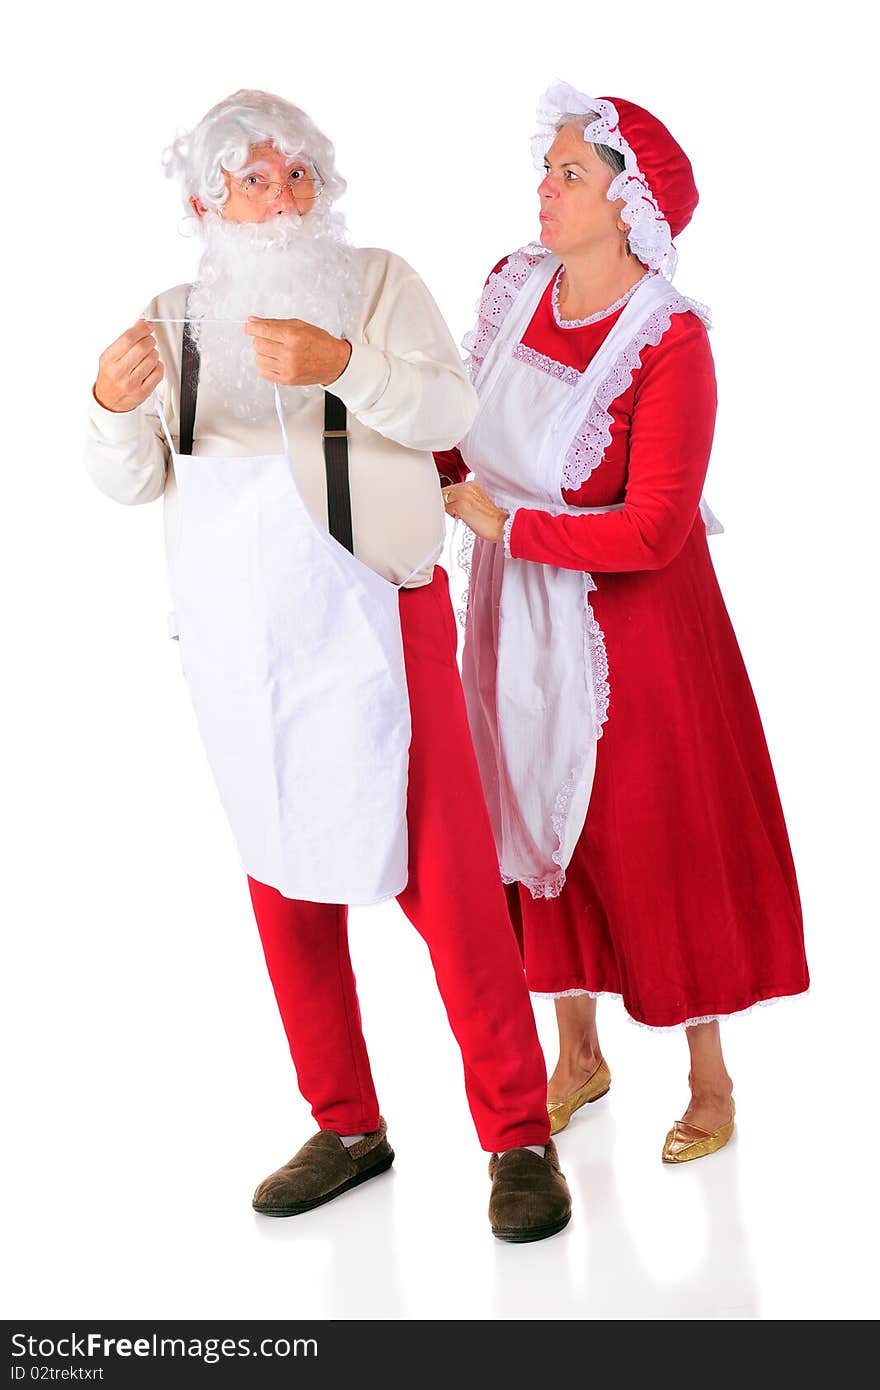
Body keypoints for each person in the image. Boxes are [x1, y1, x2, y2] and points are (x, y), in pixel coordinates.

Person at [84, 89, 572, 1240]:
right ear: (207, 201)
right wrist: (105, 409)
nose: (282, 198)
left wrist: (344, 363)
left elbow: (455, 406)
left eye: (298, 175)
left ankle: (518, 1138)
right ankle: (347, 1123)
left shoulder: (378, 284)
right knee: (284, 887)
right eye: (255, 179)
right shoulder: (169, 319)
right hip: (238, 651)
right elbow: (130, 481)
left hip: (377, 622)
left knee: (450, 894)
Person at [437, 81, 809, 1163]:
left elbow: (652, 531)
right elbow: (465, 430)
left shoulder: (668, 343)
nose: (542, 193)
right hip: (510, 607)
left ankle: (709, 1077)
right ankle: (577, 1051)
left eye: (567, 175)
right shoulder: (514, 288)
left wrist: (512, 527)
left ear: (626, 200)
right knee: (528, 820)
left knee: (653, 839)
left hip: (634, 639)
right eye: (544, 170)